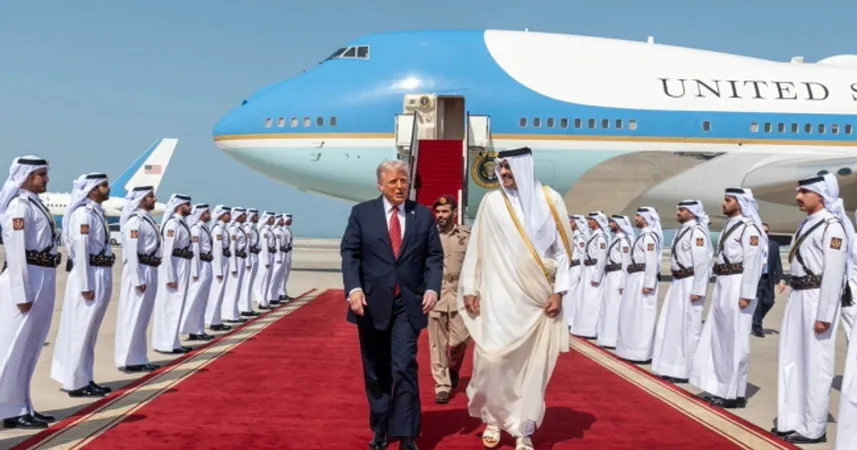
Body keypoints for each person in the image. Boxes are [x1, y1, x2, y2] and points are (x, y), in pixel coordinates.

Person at [459, 147, 572, 450]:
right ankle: (493, 419)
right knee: (492, 359)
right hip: (497, 296)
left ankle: (523, 428)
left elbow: (563, 253)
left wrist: (559, 292)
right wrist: (470, 287)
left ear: (525, 168)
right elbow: (477, 246)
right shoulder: (492, 202)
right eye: (501, 168)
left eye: (509, 168)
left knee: (530, 368)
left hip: (536, 300)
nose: (504, 173)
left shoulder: (550, 201)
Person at [341, 160, 443, 450]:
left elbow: (434, 256)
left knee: (404, 365)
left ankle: (407, 434)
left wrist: (432, 288)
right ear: (380, 185)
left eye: (404, 181)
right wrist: (354, 288)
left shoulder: (422, 216)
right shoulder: (362, 214)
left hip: (407, 304)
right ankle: (381, 428)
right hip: (371, 304)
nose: (400, 186)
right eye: (393, 182)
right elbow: (350, 252)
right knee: (376, 369)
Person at [774, 174, 851, 444]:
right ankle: (792, 419)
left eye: (804, 192)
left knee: (816, 365)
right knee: (792, 359)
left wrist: (825, 315)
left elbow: (834, 273)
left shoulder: (832, 227)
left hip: (817, 300)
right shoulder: (805, 224)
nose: (798, 197)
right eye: (798, 191)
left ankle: (814, 428)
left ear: (820, 195)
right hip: (798, 297)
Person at [689, 188, 764, 409]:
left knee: (736, 340)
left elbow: (753, 261)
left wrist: (747, 294)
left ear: (739, 203)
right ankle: (724, 388)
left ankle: (733, 393)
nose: (723, 203)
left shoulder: (749, 228)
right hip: (724, 284)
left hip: (738, 285)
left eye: (728, 200)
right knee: (721, 339)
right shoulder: (730, 227)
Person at [0, 156, 60, 428]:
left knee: (29, 348)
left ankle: (22, 405)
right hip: (27, 280)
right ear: (25, 176)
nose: (46, 179)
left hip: (42, 275)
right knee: (14, 348)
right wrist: (21, 292)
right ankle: (10, 410)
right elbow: (15, 252)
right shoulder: (19, 207)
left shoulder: (35, 204)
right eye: (41, 174)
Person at [51, 173, 115, 397]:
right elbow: (80, 250)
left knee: (90, 331)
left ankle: (85, 377)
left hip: (100, 271)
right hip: (88, 274)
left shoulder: (96, 213)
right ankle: (75, 382)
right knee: (81, 329)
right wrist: (86, 285)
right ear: (92, 189)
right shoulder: (83, 214)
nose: (108, 188)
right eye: (104, 185)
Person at [651, 200, 712, 383]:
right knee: (673, 326)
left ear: (692, 212)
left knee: (688, 328)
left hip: (690, 283)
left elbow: (702, 263)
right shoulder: (682, 231)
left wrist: (699, 289)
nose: (678, 213)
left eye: (682, 210)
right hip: (678, 283)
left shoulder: (697, 232)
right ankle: (672, 366)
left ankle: (686, 370)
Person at [428, 194, 470, 404]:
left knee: (460, 340)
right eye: (438, 212)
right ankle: (442, 385)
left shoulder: (466, 236)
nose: (441, 215)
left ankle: (453, 367)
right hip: (436, 293)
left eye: (445, 211)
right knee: (437, 343)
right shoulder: (428, 235)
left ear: (454, 213)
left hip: (458, 293)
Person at [114, 186, 162, 372]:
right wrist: (137, 279)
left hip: (149, 269)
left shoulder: (146, 219)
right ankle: (129, 360)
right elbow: (132, 253)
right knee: (133, 316)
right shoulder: (135, 221)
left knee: (141, 319)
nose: (154, 199)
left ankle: (138, 357)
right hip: (140, 269)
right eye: (150, 196)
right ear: (141, 199)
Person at [615, 207, 663, 363]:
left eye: (638, 216)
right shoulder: (642, 236)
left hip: (643, 279)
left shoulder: (649, 238)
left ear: (646, 219)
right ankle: (629, 350)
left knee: (642, 317)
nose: (635, 218)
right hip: (634, 279)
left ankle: (641, 353)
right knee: (631, 315)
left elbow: (652, 261)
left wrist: (649, 283)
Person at [151, 193, 193, 354]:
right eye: (187, 205)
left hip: (182, 264)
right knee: (171, 306)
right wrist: (169, 276)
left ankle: (173, 341)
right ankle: (166, 343)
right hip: (175, 265)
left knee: (177, 305)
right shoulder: (172, 225)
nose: (190, 207)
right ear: (179, 206)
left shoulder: (182, 224)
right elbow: (167, 252)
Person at [179, 203, 215, 341]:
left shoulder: (204, 228)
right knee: (195, 299)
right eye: (207, 212)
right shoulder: (196, 229)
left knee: (202, 300)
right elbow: (195, 250)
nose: (210, 215)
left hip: (207, 264)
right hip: (200, 266)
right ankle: (191, 329)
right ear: (201, 214)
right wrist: (195, 272)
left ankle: (198, 329)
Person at [595, 215, 632, 348]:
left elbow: (626, 263)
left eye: (612, 222)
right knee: (607, 307)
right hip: (610, 276)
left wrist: (623, 283)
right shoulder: (616, 240)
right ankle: (605, 337)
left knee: (614, 307)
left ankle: (612, 339)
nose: (610, 224)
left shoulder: (623, 242)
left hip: (617, 276)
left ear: (619, 224)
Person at [570, 211, 608, 338]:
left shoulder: (600, 238)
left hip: (593, 271)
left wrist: (596, 277)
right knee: (583, 300)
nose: (589, 222)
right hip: (587, 270)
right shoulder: (594, 237)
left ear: (597, 222)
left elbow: (601, 259)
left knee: (591, 301)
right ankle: (581, 328)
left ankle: (589, 330)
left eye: (591, 220)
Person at [751, 222, 786, 337]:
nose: (764, 234)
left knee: (769, 301)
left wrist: (781, 280)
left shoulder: (774, 245)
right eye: (762, 231)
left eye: (766, 231)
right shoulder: (754, 244)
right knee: (758, 302)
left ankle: (756, 319)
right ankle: (757, 326)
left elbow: (777, 264)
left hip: (768, 278)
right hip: (756, 278)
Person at [204, 205, 232, 332]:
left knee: (220, 293)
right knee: (216, 293)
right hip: (219, 263)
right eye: (228, 214)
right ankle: (213, 321)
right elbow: (217, 250)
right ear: (221, 215)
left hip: (224, 260)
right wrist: (219, 269)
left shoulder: (223, 229)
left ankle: (217, 320)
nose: (230, 216)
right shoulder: (218, 230)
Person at [562, 215, 587, 333]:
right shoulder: (573, 236)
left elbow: (582, 255)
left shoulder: (580, 238)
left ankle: (569, 320)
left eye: (571, 222)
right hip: (571, 268)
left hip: (576, 268)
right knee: (568, 294)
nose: (569, 224)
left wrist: (582, 272)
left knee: (571, 294)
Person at [253, 211, 277, 310]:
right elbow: (264, 246)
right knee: (264, 279)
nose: (273, 220)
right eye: (271, 218)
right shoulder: (264, 231)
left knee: (267, 279)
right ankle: (262, 301)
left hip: (270, 255)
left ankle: (264, 300)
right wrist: (266, 261)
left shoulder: (268, 230)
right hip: (264, 257)